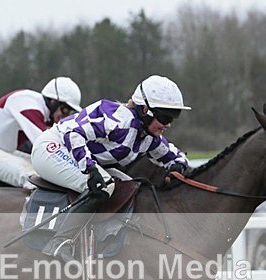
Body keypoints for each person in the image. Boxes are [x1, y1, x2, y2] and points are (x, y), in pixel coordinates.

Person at [31, 74, 190, 262]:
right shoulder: (118, 121)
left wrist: (178, 166)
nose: (168, 124)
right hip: (52, 148)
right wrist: (90, 168)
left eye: (173, 117)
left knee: (130, 187)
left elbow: (175, 156)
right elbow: (73, 133)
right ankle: (59, 242)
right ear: (145, 110)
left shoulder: (148, 136)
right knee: (104, 185)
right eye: (164, 117)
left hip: (75, 152)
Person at [0, 77, 83, 188]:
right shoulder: (27, 102)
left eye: (70, 112)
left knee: (47, 172)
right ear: (53, 101)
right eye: (65, 110)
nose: (65, 115)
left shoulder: (45, 113)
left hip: (5, 151)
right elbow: (45, 144)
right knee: (33, 177)